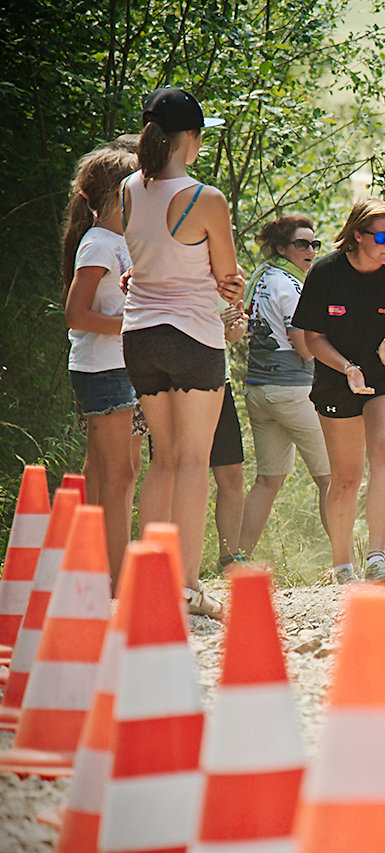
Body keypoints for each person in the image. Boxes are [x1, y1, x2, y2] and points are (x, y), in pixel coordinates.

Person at [121, 87, 242, 617]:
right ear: (188, 139)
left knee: (162, 461)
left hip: (139, 334)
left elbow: (141, 259)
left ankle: (151, 580)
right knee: (195, 461)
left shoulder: (127, 188)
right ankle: (189, 586)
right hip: (192, 335)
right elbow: (227, 276)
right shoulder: (205, 199)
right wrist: (233, 288)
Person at [292, 198, 385, 585]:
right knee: (346, 476)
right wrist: (346, 367)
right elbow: (312, 338)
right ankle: (342, 566)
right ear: (357, 236)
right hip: (338, 374)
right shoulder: (325, 273)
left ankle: (376, 556)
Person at [61, 142, 142, 582]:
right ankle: (115, 576)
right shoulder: (98, 245)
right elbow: (77, 314)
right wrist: (133, 323)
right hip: (104, 368)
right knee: (121, 474)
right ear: (115, 195)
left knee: (106, 470)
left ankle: (89, 568)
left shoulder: (118, 241)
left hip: (118, 365)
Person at [238, 215, 332, 557]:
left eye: (314, 244)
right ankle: (344, 564)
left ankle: (237, 557)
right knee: (332, 478)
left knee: (268, 479)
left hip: (258, 390)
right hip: (292, 391)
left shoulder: (263, 278)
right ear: (281, 248)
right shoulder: (291, 287)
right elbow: (305, 347)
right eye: (301, 244)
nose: (310, 250)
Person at [210, 300, 247, 570]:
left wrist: (234, 328)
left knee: (232, 474)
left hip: (218, 379)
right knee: (185, 471)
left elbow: (233, 336)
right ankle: (172, 562)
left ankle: (230, 559)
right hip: (178, 380)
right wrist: (213, 326)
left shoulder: (227, 275)